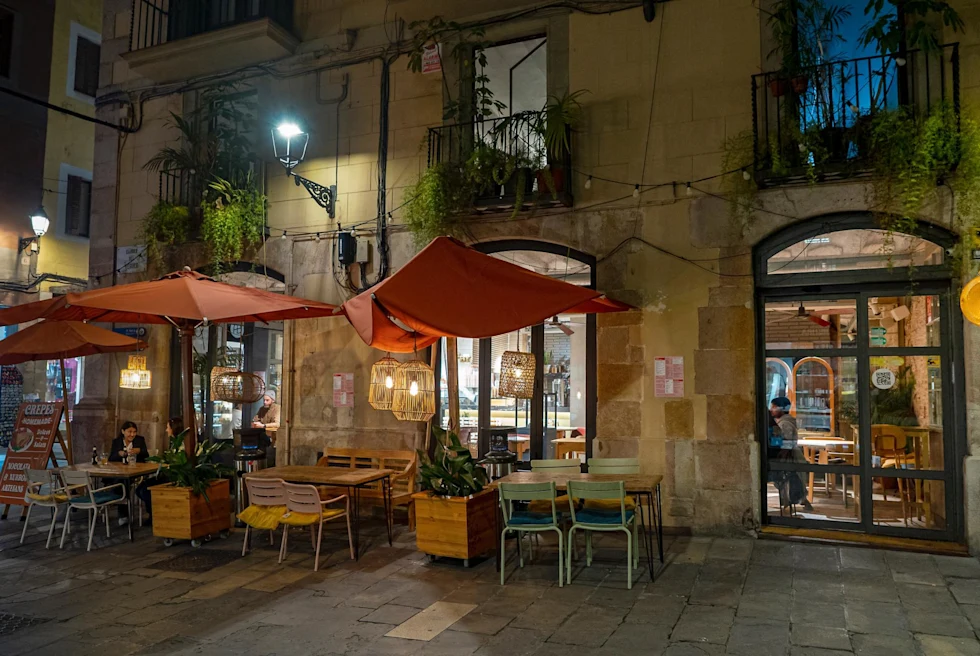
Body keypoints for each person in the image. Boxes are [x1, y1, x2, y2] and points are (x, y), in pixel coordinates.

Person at [768, 397, 813, 511]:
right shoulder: (785, 421)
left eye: (774, 407)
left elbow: (786, 443)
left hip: (790, 456)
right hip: (791, 454)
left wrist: (779, 457)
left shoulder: (785, 423)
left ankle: (801, 501)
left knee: (792, 480)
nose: (771, 410)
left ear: (782, 409)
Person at [108, 422, 149, 526]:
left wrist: (139, 451)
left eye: (134, 432)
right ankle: (122, 512)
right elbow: (111, 458)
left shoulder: (140, 440)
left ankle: (122, 512)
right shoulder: (117, 442)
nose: (132, 434)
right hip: (120, 471)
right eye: (129, 432)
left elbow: (146, 455)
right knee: (120, 481)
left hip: (136, 472)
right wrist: (119, 454)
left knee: (122, 482)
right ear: (123, 431)